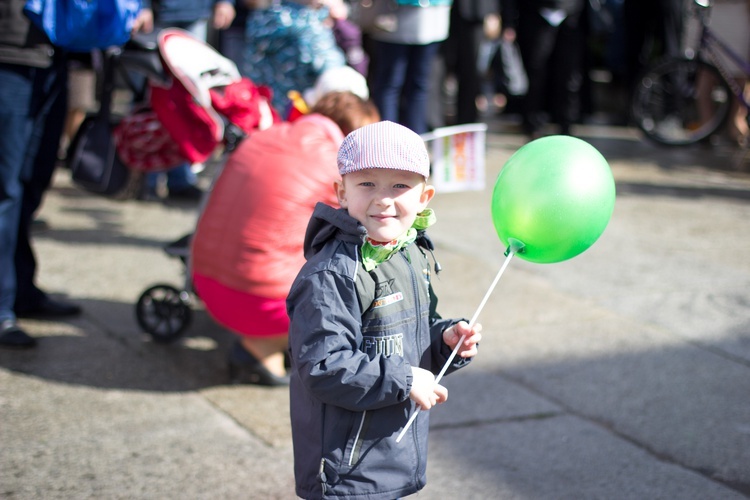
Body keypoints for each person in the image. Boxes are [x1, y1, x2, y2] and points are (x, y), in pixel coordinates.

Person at [286, 120, 482, 498]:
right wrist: (406, 381)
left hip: (391, 450)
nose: (383, 198)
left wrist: (445, 339)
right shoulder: (331, 274)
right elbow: (324, 366)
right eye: (367, 184)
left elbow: (410, 333)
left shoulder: (409, 252)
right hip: (347, 468)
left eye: (399, 185)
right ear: (341, 192)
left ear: (424, 197)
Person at [190, 91, 380, 385]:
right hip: (260, 304)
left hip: (205, 282)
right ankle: (260, 349)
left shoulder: (266, 135)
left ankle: (266, 344)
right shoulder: (334, 164)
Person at [0, 0, 82, 348]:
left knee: (33, 181)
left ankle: (20, 290)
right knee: (5, 190)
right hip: (10, 55)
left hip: (54, 54)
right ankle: (2, 308)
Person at [133, 0, 237, 201]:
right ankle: (147, 178)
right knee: (155, 97)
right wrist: (142, 6)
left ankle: (180, 179)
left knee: (191, 101)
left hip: (195, 13)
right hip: (157, 14)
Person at [502, 0, 586, 138]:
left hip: (571, 15)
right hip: (536, 12)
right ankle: (532, 123)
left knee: (569, 75)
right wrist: (509, 21)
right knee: (536, 72)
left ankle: (566, 123)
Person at [366, 0, 452, 134]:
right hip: (394, 16)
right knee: (390, 83)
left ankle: (418, 140)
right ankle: (387, 140)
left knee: (419, 84)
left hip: (432, 16)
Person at [444, 0, 501, 124]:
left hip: (475, 14)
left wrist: (493, 12)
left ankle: (466, 122)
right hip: (440, 11)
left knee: (471, 73)